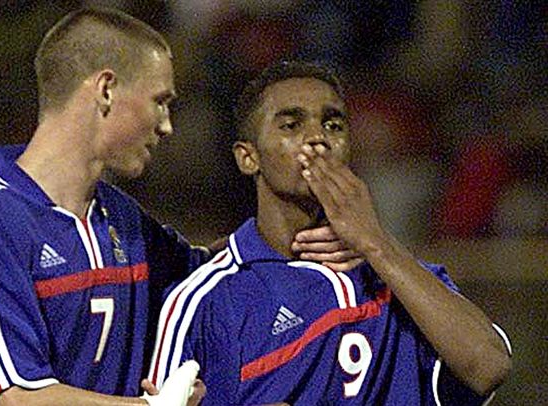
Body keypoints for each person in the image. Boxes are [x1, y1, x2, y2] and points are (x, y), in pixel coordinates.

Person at [0, 9, 356, 406]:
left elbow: (216, 271)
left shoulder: (118, 218)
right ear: (106, 89)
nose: (166, 126)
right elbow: (14, 398)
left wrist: (327, 244)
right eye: (160, 101)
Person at [149, 61, 513, 405]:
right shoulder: (208, 299)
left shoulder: (396, 277)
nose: (317, 139)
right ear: (249, 157)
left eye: (333, 125)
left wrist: (376, 243)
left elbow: (489, 367)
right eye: (291, 125)